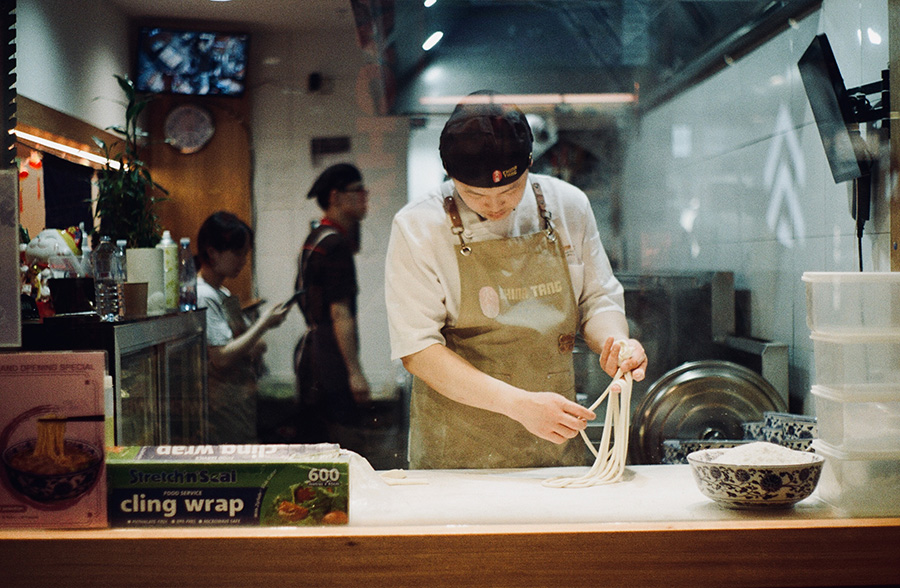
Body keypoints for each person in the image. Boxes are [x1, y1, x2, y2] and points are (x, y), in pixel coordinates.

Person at [385, 93, 649, 469]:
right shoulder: (418, 227)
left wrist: (615, 344)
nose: (494, 206)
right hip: (458, 451)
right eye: (474, 194)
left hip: (555, 442)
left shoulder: (567, 206)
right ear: (450, 177)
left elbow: (598, 300)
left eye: (510, 190)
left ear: (529, 166)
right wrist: (518, 405)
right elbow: (418, 350)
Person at [293, 163, 371, 448]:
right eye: (358, 191)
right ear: (336, 197)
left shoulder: (316, 238)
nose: (365, 197)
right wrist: (355, 371)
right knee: (344, 444)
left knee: (317, 442)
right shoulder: (335, 244)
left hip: (313, 353)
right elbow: (340, 312)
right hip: (331, 355)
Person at [196, 211, 291, 444]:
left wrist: (258, 330)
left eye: (245, 254)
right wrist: (263, 323)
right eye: (238, 253)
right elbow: (221, 357)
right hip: (221, 405)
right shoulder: (203, 295)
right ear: (212, 252)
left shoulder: (223, 293)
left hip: (239, 400)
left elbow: (254, 345)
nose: (243, 261)